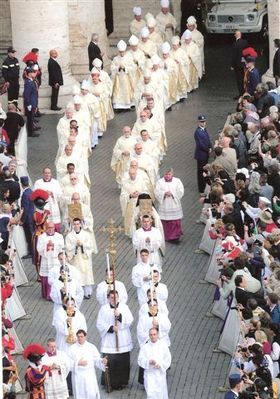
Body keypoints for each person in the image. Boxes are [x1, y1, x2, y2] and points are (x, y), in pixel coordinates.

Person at [96, 290, 133, 391]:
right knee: (110, 362)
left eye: (115, 297)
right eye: (112, 297)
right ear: (108, 298)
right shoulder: (103, 309)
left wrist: (120, 316)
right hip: (109, 340)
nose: (114, 299)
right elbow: (99, 324)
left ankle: (122, 382)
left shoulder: (124, 307)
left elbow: (130, 320)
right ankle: (109, 382)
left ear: (118, 297)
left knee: (122, 361)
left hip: (122, 338)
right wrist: (111, 328)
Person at [68, 329, 107, 399]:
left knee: (91, 393)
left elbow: (97, 359)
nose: (80, 338)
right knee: (80, 395)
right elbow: (67, 362)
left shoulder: (91, 347)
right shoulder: (71, 349)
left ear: (85, 337)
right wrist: (78, 363)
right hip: (78, 376)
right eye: (78, 336)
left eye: (81, 336)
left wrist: (102, 361)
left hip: (89, 374)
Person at [65, 218, 97, 298]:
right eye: (74, 224)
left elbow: (90, 246)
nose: (76, 226)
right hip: (75, 258)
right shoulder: (69, 236)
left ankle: (87, 292)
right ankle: (77, 292)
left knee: (86, 274)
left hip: (84, 257)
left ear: (80, 224)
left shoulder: (86, 235)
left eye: (78, 224)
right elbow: (68, 248)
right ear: (72, 225)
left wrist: (82, 244)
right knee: (76, 274)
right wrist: (75, 246)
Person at [138, 327, 171, 399]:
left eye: (154, 334)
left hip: (160, 374)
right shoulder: (145, 347)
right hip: (149, 375)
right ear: (149, 336)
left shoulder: (163, 346)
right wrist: (148, 362)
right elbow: (140, 360)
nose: (153, 336)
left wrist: (161, 365)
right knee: (151, 395)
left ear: (157, 335)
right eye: (151, 335)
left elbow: (168, 359)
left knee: (161, 394)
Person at [37, 221, 64, 300]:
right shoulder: (41, 237)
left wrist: (53, 245)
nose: (50, 229)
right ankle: (47, 295)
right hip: (46, 260)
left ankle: (57, 294)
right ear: (46, 228)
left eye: (52, 228)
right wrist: (47, 245)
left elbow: (62, 247)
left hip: (56, 260)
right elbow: (39, 249)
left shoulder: (59, 236)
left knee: (56, 276)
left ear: (54, 228)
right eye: (48, 228)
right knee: (46, 276)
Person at [155, 168, 184, 242]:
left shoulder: (177, 181)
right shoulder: (159, 182)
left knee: (175, 221)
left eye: (169, 174)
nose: (167, 176)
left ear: (172, 174)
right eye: (166, 174)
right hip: (165, 205)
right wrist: (164, 194)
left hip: (174, 204)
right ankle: (167, 236)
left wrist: (172, 193)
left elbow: (181, 191)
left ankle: (175, 236)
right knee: (166, 222)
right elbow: (157, 192)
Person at [194, 114, 212, 195]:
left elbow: (208, 139)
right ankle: (201, 189)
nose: (203, 123)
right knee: (201, 172)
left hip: (205, 154)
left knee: (205, 170)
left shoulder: (204, 130)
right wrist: (207, 149)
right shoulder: (197, 132)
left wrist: (210, 146)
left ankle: (205, 186)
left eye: (204, 121)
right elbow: (200, 144)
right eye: (202, 122)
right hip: (201, 155)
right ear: (198, 122)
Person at [230, 31, 248, 98]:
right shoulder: (245, 42)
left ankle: (241, 93)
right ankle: (245, 92)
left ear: (235, 35)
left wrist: (232, 65)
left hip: (237, 64)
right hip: (244, 63)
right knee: (244, 78)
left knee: (239, 79)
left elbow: (234, 55)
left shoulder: (235, 44)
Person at [20, 176, 34, 258]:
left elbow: (25, 209)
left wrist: (22, 220)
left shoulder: (25, 194)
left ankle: (31, 252)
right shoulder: (31, 192)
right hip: (31, 217)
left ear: (22, 184)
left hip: (27, 219)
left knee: (28, 236)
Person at [23, 67, 39, 137]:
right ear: (29, 74)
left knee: (31, 118)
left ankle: (32, 128)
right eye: (33, 72)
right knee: (30, 118)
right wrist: (28, 104)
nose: (34, 74)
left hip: (33, 102)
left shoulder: (31, 81)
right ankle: (30, 132)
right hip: (31, 103)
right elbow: (27, 94)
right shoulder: (28, 82)